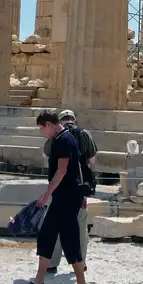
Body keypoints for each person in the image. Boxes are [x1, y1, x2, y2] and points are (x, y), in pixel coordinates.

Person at [16, 111, 89, 284]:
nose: (42, 132)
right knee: (47, 235)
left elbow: (63, 170)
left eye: (42, 128)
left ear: (48, 124)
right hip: (62, 198)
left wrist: (46, 194)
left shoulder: (64, 140)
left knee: (70, 240)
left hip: (66, 198)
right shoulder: (62, 139)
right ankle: (38, 281)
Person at [46, 110, 97, 274]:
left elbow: (46, 155)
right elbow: (92, 160)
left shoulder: (56, 136)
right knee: (80, 225)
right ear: (74, 120)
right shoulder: (84, 134)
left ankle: (52, 263)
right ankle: (80, 262)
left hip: (59, 187)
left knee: (56, 224)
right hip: (78, 187)